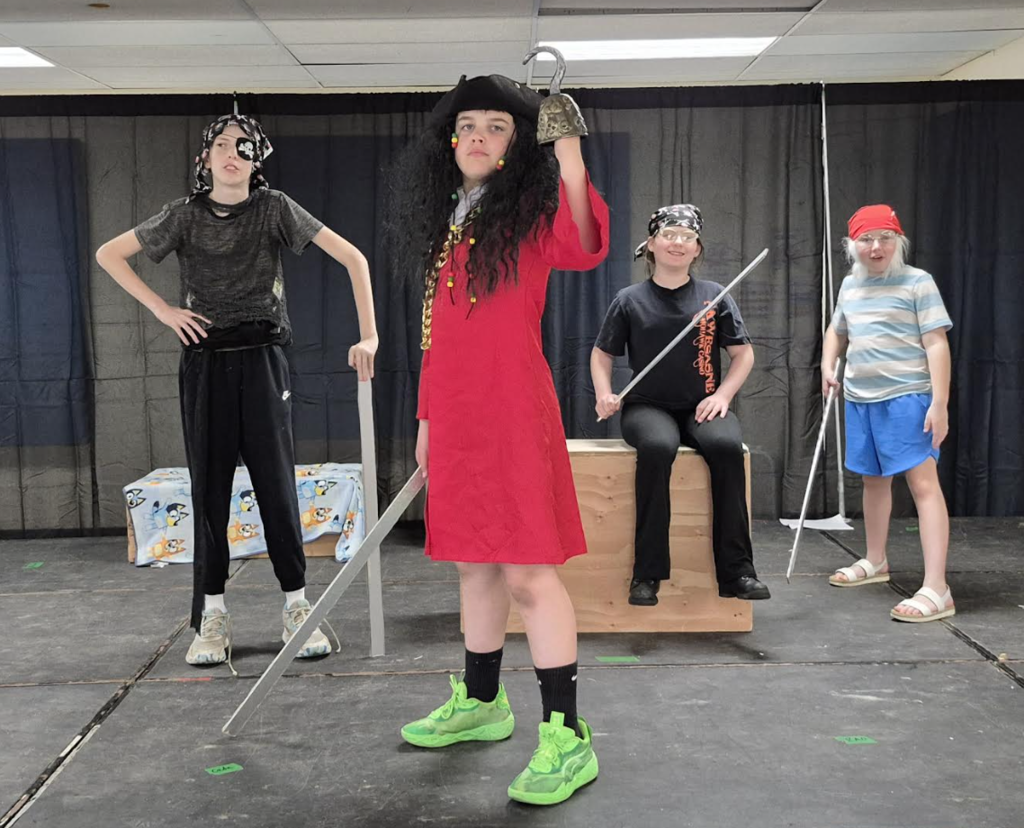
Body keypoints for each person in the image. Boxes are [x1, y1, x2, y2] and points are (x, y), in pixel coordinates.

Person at [387, 73, 608, 805]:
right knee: (473, 567)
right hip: (455, 417)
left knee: (526, 574)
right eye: (468, 125)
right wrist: (426, 420)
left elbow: (583, 243)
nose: (478, 137)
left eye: (497, 127)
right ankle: (482, 704)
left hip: (512, 412)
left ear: (519, 147)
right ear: (452, 140)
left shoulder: (531, 217)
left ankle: (567, 739)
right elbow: (436, 336)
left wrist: (569, 152)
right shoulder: (453, 219)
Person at [96, 113, 379, 671]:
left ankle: (298, 604)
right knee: (210, 491)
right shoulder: (182, 216)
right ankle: (211, 616)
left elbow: (355, 258)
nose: (232, 154)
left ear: (257, 160)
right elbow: (109, 253)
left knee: (276, 485)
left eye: (244, 148)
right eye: (221, 146)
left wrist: (369, 334)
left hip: (263, 359)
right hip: (205, 362)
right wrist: (161, 308)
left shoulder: (275, 209)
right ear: (205, 159)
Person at [591, 204, 770, 606]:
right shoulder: (629, 299)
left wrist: (722, 395)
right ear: (651, 245)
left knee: (726, 448)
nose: (677, 243)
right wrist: (605, 392)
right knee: (657, 448)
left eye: (687, 237)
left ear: (697, 249)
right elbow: (601, 355)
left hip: (701, 405)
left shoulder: (714, 296)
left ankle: (737, 572)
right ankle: (647, 575)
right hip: (647, 407)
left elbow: (744, 355)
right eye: (669, 235)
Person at [823, 204, 954, 623]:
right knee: (873, 480)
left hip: (908, 397)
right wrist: (828, 365)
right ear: (851, 245)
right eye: (866, 239)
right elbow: (837, 330)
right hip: (861, 398)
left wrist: (939, 403)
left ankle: (938, 588)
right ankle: (875, 560)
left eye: (884, 237)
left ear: (898, 241)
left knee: (922, 485)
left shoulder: (918, 283)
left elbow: (936, 343)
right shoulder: (849, 286)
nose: (875, 247)